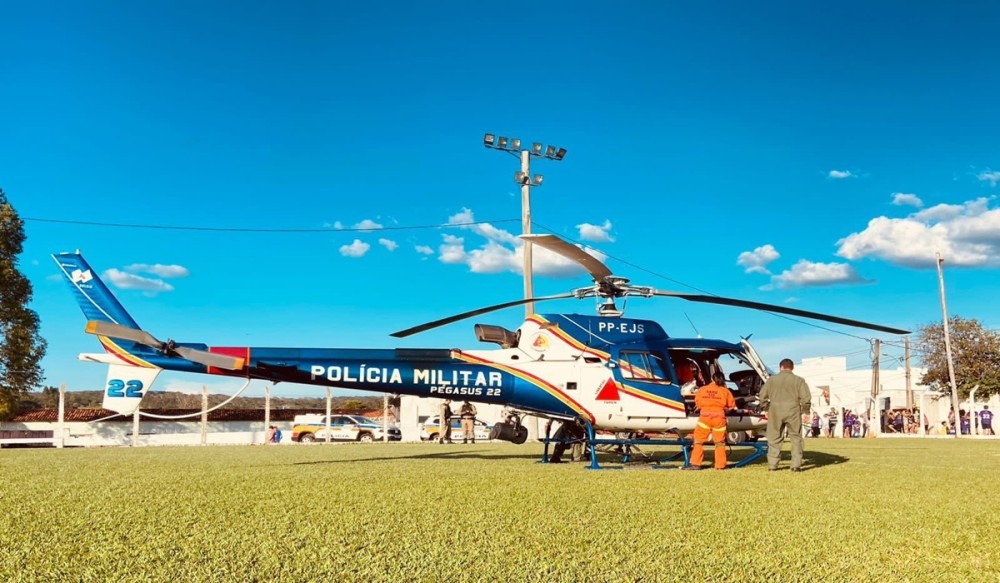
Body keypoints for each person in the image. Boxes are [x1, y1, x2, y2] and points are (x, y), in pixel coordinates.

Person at [759, 358, 811, 472]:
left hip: (775, 410)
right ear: (792, 368)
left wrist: (766, 408)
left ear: (781, 367)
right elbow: (805, 398)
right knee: (796, 437)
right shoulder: (799, 380)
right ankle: (796, 465)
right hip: (793, 410)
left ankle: (773, 465)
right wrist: (806, 411)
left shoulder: (771, 380)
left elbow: (762, 396)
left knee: (774, 438)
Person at [685, 371, 736, 470]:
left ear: (712, 379)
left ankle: (695, 464)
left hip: (705, 418)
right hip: (719, 419)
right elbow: (731, 406)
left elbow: (698, 403)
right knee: (720, 443)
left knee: (698, 441)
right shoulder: (725, 391)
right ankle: (720, 465)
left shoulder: (702, 389)